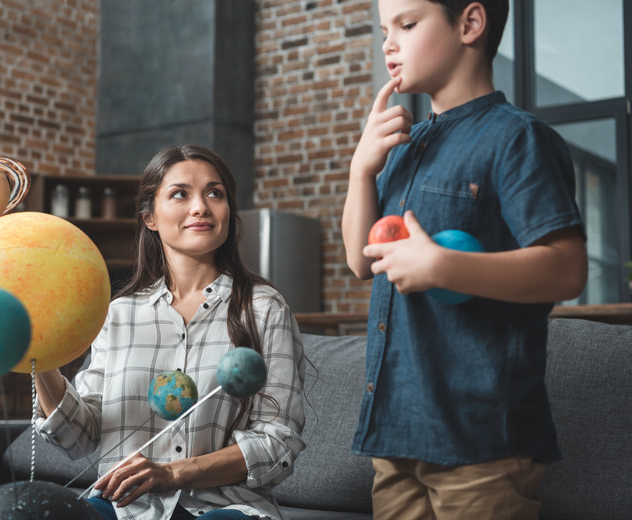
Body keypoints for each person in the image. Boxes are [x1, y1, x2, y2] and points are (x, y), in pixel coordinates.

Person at [341, 1, 588, 518]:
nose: (388, 43)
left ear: (470, 24)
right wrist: (362, 170)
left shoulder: (517, 137)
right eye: (385, 30)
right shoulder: (403, 146)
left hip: (483, 445)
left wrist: (443, 268)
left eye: (406, 25)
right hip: (396, 438)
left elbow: (567, 269)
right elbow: (361, 261)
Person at [34, 145, 306, 520]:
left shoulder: (262, 309)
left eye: (215, 193)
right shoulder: (117, 315)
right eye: (181, 193)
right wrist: (39, 354)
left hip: (226, 507)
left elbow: (278, 443)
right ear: (149, 217)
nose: (201, 207)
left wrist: (172, 474)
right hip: (123, 508)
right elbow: (80, 436)